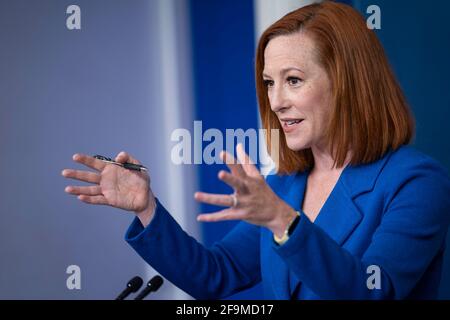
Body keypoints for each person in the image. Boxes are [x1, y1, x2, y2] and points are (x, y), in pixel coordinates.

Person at [62, 1, 450, 299]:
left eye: (293, 80)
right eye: (268, 83)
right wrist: (146, 208)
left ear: (348, 83)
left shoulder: (415, 182)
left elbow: (371, 291)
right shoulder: (285, 184)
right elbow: (216, 274)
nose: (276, 101)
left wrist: (284, 221)